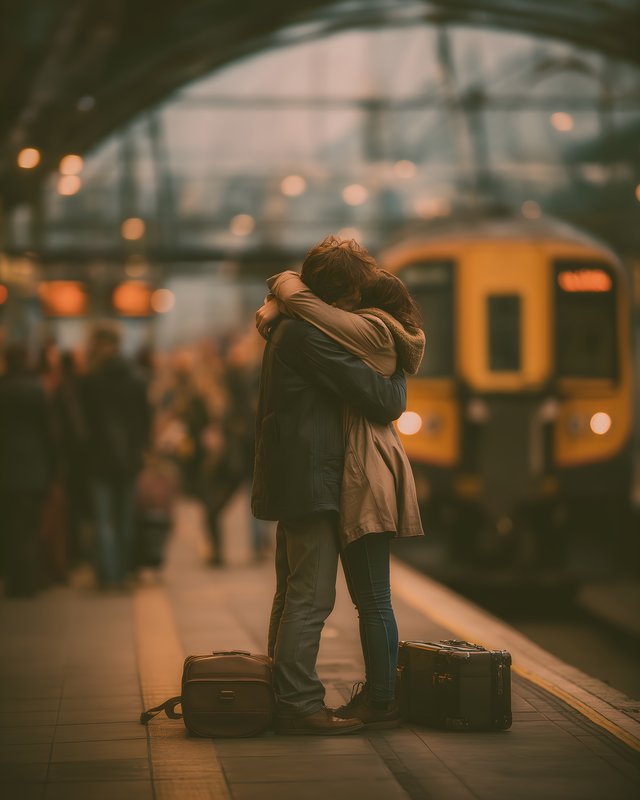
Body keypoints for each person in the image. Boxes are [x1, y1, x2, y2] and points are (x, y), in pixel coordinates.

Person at [256, 253, 425, 730]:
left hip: (298, 476)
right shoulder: (310, 337)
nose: (356, 304)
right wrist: (395, 378)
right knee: (310, 599)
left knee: (291, 596)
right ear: (333, 299)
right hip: (312, 481)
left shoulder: (292, 328)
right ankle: (300, 705)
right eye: (352, 296)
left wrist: (278, 297)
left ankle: (283, 694)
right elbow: (384, 398)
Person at [81, 324, 151, 589]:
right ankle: (121, 574)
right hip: (129, 459)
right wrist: (141, 447)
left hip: (98, 460)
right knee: (124, 519)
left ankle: (107, 576)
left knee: (103, 521)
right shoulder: (136, 379)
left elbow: (83, 425)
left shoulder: (90, 381)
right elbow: (145, 420)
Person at [0, 343, 54, 596]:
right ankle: (28, 581)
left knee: (9, 525)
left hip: (5, 470)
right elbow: (48, 431)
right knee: (30, 526)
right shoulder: (36, 390)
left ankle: (12, 578)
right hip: (33, 469)